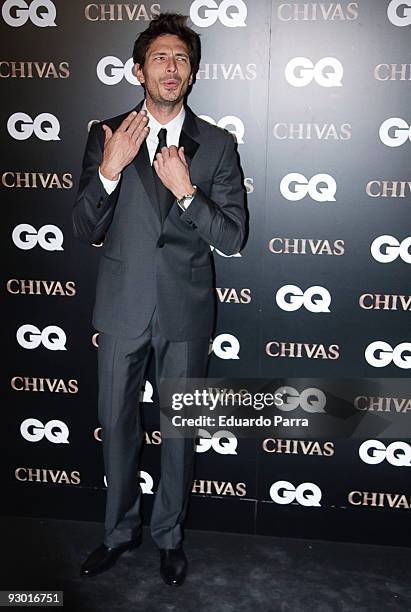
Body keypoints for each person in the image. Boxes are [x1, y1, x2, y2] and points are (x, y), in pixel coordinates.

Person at [72, 12, 246, 586]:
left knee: (180, 434)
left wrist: (187, 193)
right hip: (123, 308)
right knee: (116, 426)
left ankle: (170, 537)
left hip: (185, 311)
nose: (172, 68)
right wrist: (109, 172)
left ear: (192, 74)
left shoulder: (217, 144)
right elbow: (82, 227)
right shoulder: (107, 134)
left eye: (182, 60)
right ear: (139, 70)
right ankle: (119, 532)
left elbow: (233, 236)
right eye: (161, 58)